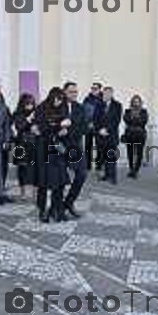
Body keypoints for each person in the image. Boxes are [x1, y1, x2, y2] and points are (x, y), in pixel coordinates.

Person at [34, 87, 70, 222]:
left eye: (61, 100)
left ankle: (58, 210)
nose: (59, 102)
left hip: (58, 148)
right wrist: (59, 126)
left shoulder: (62, 107)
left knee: (60, 181)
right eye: (57, 99)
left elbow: (66, 124)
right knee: (44, 181)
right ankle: (43, 210)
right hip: (44, 149)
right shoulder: (42, 108)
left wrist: (65, 128)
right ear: (51, 97)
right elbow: (42, 128)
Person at [61, 81, 88, 218]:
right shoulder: (58, 106)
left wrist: (69, 130)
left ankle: (69, 202)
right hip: (60, 147)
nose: (74, 94)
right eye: (71, 91)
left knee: (82, 174)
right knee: (59, 178)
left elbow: (84, 127)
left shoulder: (80, 107)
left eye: (76, 92)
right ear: (64, 92)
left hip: (76, 146)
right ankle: (58, 206)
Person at [94, 86, 123, 184]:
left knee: (111, 156)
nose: (106, 95)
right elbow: (95, 119)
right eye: (105, 93)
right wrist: (99, 130)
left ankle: (112, 176)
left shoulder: (117, 105)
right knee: (103, 156)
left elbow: (116, 120)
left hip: (111, 135)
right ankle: (106, 175)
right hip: (100, 135)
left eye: (108, 93)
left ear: (111, 94)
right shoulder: (99, 105)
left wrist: (107, 129)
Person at [11, 93, 37, 199]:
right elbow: (19, 126)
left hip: (33, 144)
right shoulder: (18, 113)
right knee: (22, 168)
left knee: (35, 168)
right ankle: (23, 193)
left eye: (32, 103)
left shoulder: (37, 113)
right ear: (23, 104)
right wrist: (28, 119)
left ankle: (34, 192)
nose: (30, 106)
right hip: (21, 144)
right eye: (27, 103)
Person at [122, 94, 149, 178]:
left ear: (140, 102)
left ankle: (136, 170)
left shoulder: (144, 111)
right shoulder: (128, 111)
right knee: (130, 152)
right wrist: (135, 119)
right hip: (129, 134)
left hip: (140, 135)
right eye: (134, 102)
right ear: (132, 102)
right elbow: (126, 120)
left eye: (137, 102)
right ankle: (131, 169)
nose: (136, 103)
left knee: (139, 153)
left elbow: (143, 122)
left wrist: (134, 119)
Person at [82, 82, 104, 170]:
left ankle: (99, 165)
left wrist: (96, 124)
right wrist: (87, 123)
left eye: (95, 88)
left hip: (98, 127)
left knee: (100, 146)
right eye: (92, 88)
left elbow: (104, 114)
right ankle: (88, 165)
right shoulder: (87, 99)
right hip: (88, 126)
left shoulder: (103, 99)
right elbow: (83, 112)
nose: (93, 90)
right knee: (88, 146)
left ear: (99, 89)